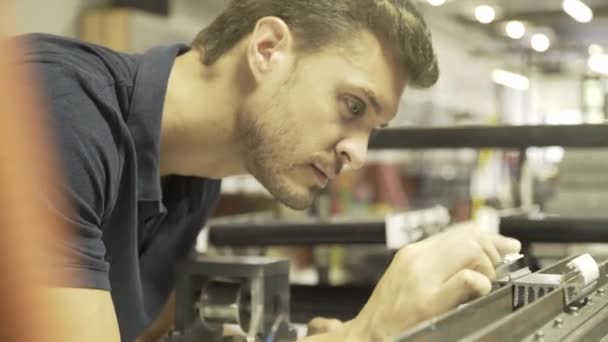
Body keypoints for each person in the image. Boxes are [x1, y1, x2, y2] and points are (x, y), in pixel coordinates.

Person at [21, 0, 522, 341]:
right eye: (352, 106)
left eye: (375, 129)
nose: (359, 154)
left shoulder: (195, 178)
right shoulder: (50, 108)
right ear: (267, 49)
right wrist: (369, 331)